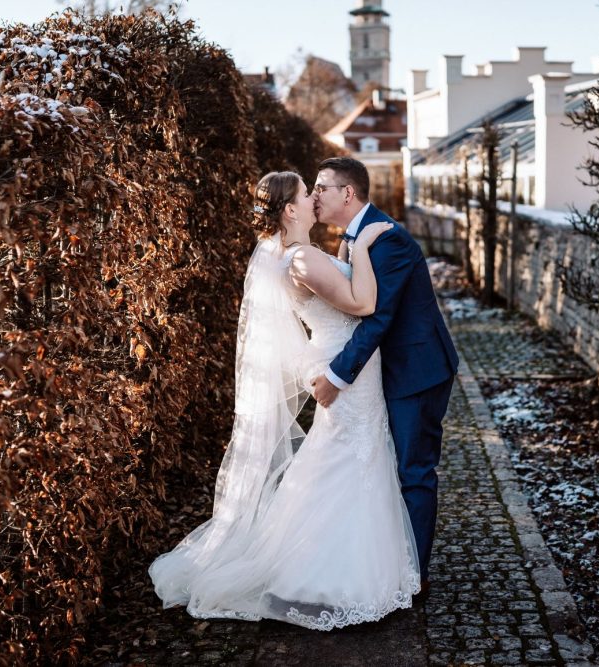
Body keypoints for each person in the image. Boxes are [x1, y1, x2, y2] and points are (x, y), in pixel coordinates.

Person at [148, 171, 420, 630]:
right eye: (305, 194)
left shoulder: (302, 255)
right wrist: (365, 245)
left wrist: (349, 254)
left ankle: (339, 565)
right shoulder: (301, 260)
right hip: (345, 371)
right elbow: (363, 304)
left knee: (346, 457)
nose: (315, 199)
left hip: (348, 365)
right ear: (290, 210)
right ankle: (320, 579)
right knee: (344, 459)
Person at [309, 157, 459, 596]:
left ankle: (416, 576)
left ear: (347, 194)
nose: (315, 195)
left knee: (414, 471)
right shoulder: (355, 236)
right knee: (386, 469)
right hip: (389, 371)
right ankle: (389, 562)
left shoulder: (386, 240)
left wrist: (336, 377)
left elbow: (378, 319)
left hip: (417, 371)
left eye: (322, 187)